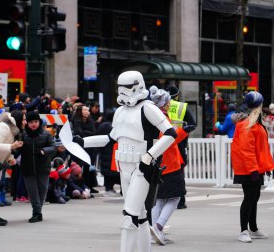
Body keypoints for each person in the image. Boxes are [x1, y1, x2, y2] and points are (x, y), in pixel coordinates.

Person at [70, 71, 177, 252]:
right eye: (120, 88)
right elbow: (111, 138)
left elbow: (170, 133)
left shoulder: (147, 108)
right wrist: (84, 142)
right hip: (124, 168)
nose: (123, 92)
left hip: (141, 168)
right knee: (140, 216)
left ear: (137, 86)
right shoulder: (120, 111)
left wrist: (149, 156)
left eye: (126, 88)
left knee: (130, 217)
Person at [148, 86, 193, 245]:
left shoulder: (152, 117)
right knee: (175, 196)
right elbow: (168, 138)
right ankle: (158, 227)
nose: (169, 104)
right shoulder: (162, 118)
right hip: (170, 163)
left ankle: (154, 229)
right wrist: (183, 131)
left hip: (158, 162)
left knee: (159, 199)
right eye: (167, 102)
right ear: (164, 104)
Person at [231, 91, 274, 243]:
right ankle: (243, 231)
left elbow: (260, 148)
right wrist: (253, 169)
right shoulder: (247, 125)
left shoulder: (255, 123)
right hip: (249, 168)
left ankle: (253, 228)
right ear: (259, 105)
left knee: (254, 197)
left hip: (255, 167)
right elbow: (246, 150)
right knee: (249, 198)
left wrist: (265, 166)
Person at [19, 111, 55, 223]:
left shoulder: (46, 134)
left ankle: (38, 209)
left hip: (43, 167)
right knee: (32, 191)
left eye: (36, 122)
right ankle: (37, 212)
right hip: (27, 167)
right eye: (31, 122)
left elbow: (53, 147)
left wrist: (44, 151)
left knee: (42, 189)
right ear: (27, 123)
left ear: (39, 122)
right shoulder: (23, 135)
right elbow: (17, 148)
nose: (33, 124)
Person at [166, 85, 197, 209]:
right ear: (177, 95)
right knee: (179, 170)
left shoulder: (157, 106)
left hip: (163, 142)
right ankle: (180, 201)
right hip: (179, 143)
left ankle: (165, 198)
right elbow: (192, 124)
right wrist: (182, 129)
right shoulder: (181, 107)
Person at [96, 108, 120, 196]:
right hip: (112, 151)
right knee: (112, 171)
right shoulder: (112, 126)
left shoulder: (102, 125)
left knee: (107, 171)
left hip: (104, 150)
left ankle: (109, 188)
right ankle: (110, 189)